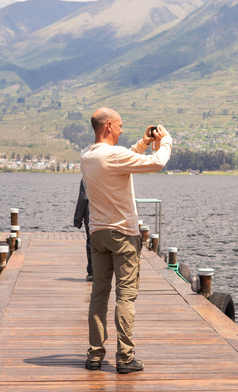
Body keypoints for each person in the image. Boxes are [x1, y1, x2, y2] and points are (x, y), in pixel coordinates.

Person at [80, 107, 172, 374]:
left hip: (97, 234)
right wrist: (164, 142)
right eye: (119, 126)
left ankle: (95, 355)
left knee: (99, 294)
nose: (122, 130)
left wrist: (143, 143)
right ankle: (125, 357)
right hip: (123, 235)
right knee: (126, 296)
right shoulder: (113, 156)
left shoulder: (87, 155)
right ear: (108, 125)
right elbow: (157, 163)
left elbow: (124, 159)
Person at [73, 179, 93, 281]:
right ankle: (103, 271)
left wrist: (77, 219)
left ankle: (92, 271)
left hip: (90, 214)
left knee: (91, 241)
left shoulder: (86, 177)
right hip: (106, 214)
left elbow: (82, 198)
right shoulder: (108, 174)